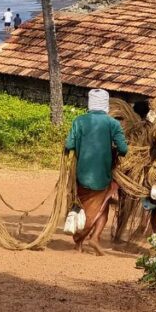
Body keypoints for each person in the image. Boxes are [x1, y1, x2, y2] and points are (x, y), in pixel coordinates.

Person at [65, 88, 128, 255]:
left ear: (90, 103)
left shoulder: (79, 121)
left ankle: (79, 244)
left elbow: (69, 145)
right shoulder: (113, 123)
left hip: (81, 175)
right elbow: (123, 148)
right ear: (105, 104)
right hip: (103, 176)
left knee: (84, 207)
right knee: (102, 208)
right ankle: (93, 238)